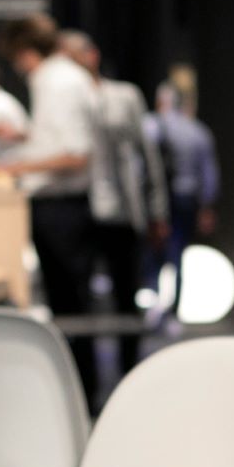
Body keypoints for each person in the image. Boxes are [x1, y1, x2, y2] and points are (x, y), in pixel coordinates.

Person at [0, 14, 100, 400]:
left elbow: (76, 155)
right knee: (66, 305)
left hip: (63, 208)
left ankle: (80, 395)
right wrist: (25, 138)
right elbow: (60, 141)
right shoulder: (58, 79)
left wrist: (15, 167)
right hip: (58, 206)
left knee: (71, 306)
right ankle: (75, 392)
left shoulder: (58, 81)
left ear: (25, 52)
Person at [58, 30, 170, 375]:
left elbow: (147, 156)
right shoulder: (61, 101)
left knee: (126, 294)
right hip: (77, 208)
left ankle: (131, 372)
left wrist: (157, 211)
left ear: (91, 56)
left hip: (121, 210)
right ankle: (84, 381)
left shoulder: (124, 96)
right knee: (78, 299)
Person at [146, 75, 219, 317]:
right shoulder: (198, 131)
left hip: (159, 199)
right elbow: (209, 174)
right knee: (177, 251)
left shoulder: (151, 126)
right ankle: (173, 308)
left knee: (154, 250)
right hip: (186, 199)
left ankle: (152, 301)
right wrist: (207, 206)